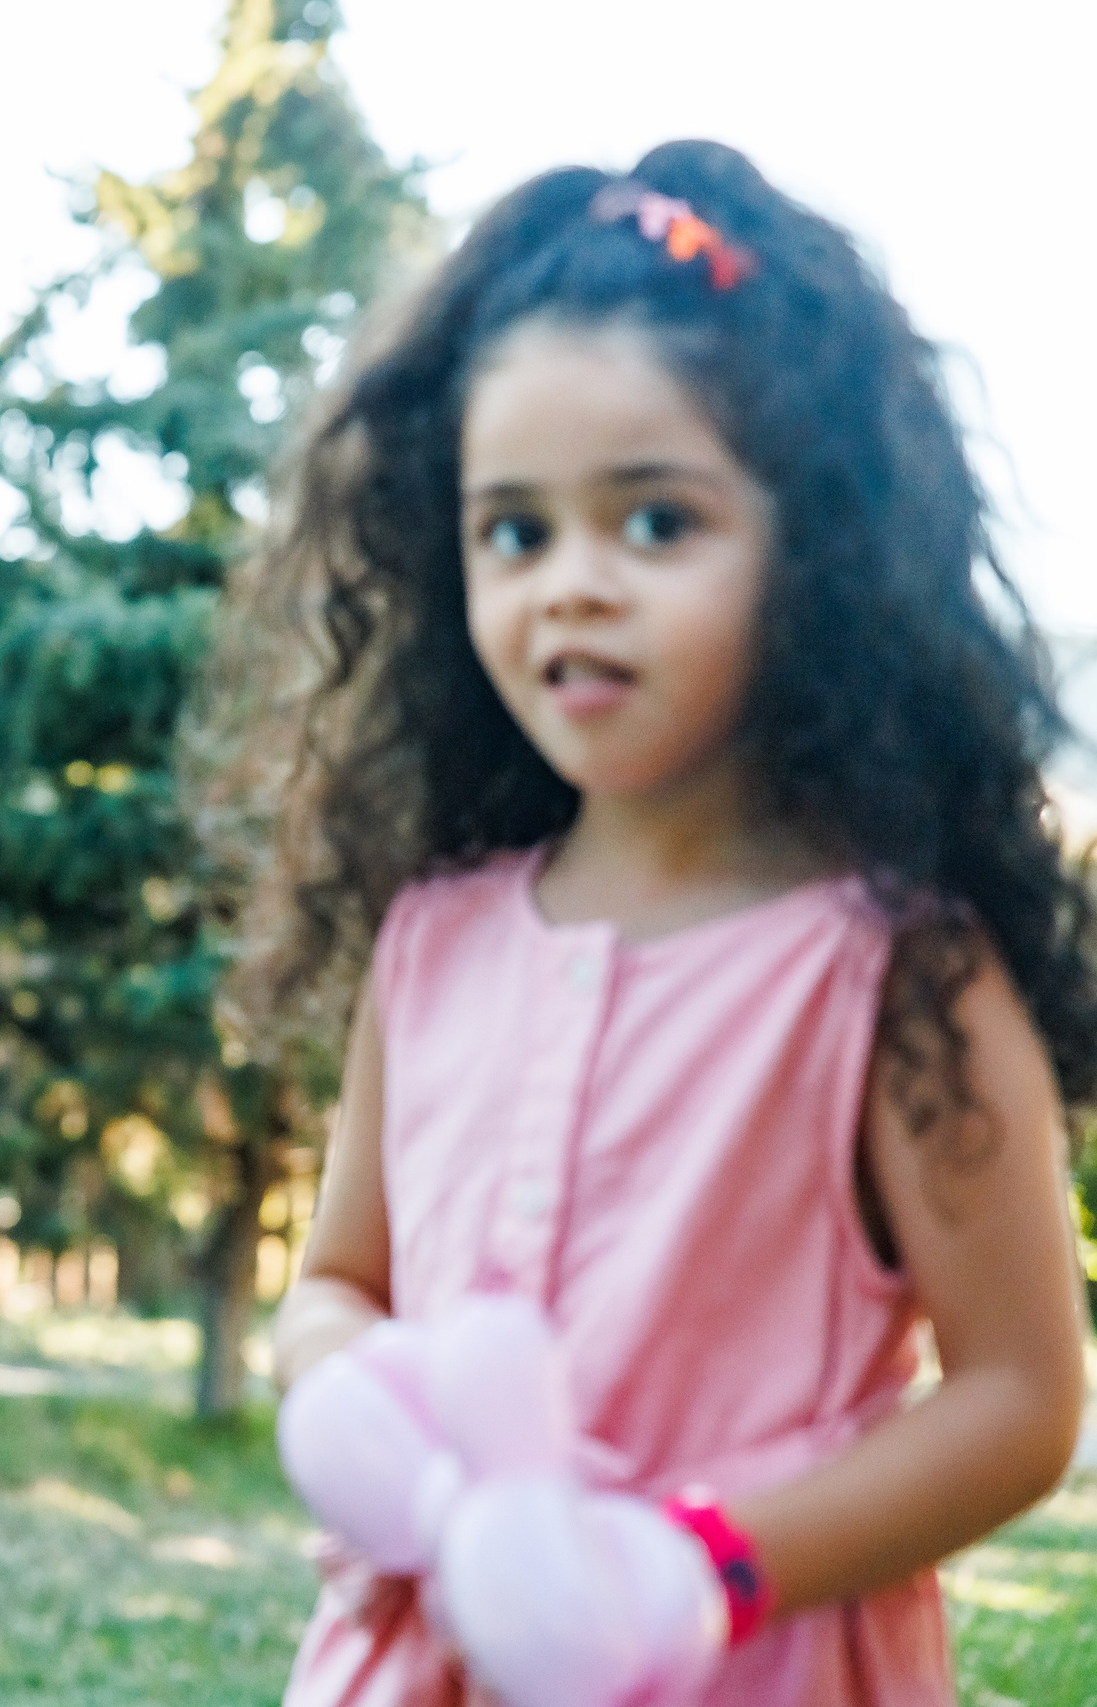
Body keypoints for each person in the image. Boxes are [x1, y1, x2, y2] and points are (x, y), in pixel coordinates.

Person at [251, 139, 1095, 1705]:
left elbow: (1022, 1397)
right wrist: (348, 1385)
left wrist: (692, 1561)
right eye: (516, 529)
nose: (571, 584)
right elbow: (338, 1273)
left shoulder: (891, 968)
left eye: (653, 523)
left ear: (817, 549)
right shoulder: (431, 942)